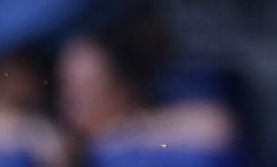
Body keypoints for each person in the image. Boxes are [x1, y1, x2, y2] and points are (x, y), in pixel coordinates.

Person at [56, 23, 235, 153]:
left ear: (123, 92)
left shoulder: (141, 130)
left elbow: (216, 124)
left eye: (86, 88)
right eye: (65, 84)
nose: (69, 97)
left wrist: (125, 132)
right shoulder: (57, 132)